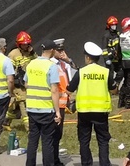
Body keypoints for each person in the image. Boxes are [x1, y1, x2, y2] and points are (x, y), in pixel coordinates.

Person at [67, 41, 116, 166]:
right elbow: (114, 90)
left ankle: (86, 163)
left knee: (84, 140)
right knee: (103, 140)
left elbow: (69, 89)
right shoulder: (105, 72)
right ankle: (104, 163)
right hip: (101, 112)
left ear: (88, 57)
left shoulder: (81, 72)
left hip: (84, 111)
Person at [25, 39, 62, 166]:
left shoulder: (31, 64)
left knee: (32, 141)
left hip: (31, 108)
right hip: (46, 109)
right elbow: (54, 90)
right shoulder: (51, 66)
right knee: (47, 141)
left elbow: (26, 83)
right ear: (52, 51)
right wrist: (57, 111)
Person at [6, 30, 38, 130]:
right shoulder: (13, 54)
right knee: (23, 103)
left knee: (14, 104)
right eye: (23, 44)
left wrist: (32, 53)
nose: (26, 46)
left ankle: (5, 121)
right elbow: (9, 71)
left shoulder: (30, 52)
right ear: (18, 44)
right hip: (18, 84)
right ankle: (29, 128)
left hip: (29, 82)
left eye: (27, 44)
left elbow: (37, 62)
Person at [52, 38, 75, 166]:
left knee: (58, 133)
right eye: (59, 50)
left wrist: (68, 60)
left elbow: (75, 71)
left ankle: (54, 158)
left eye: (62, 50)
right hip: (55, 104)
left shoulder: (63, 64)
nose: (61, 53)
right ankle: (53, 160)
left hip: (63, 103)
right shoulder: (51, 64)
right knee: (54, 133)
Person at [102, 15, 123, 86]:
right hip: (110, 59)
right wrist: (106, 59)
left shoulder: (118, 34)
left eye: (115, 25)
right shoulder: (106, 36)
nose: (114, 26)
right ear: (109, 26)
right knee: (110, 75)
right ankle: (109, 88)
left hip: (117, 59)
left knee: (121, 72)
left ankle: (115, 84)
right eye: (112, 25)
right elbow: (104, 49)